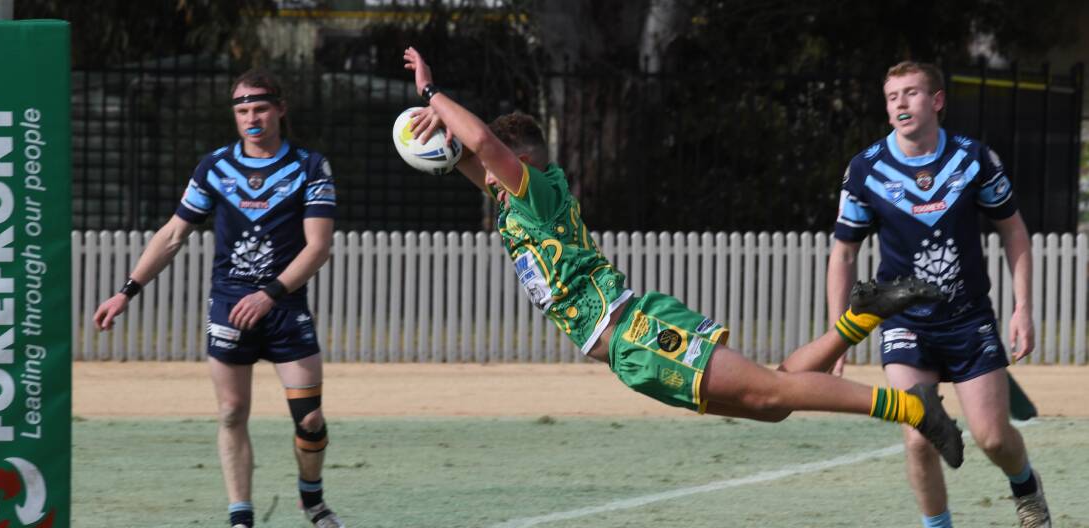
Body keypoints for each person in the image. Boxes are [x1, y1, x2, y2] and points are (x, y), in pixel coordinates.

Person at [400, 47, 964, 470]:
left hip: (635, 332)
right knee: (774, 403)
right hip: (629, 347)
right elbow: (470, 157)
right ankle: (862, 314)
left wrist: (433, 95)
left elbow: (481, 147)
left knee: (771, 391)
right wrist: (436, 131)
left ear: (518, 161)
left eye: (497, 170)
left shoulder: (536, 192)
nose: (487, 180)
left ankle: (913, 408)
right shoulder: (514, 198)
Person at [94, 68, 349, 528]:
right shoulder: (214, 167)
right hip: (230, 304)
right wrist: (126, 291)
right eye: (242, 110)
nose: (251, 118)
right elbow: (172, 235)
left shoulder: (310, 166)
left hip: (283, 303)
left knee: (310, 419)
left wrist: (270, 293)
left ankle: (313, 501)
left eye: (260, 109)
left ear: (280, 110)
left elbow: (318, 248)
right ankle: (240, 521)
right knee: (232, 412)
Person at [827, 61, 1050, 528]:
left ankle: (1026, 489)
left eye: (911, 94)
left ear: (937, 101)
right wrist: (841, 333)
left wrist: (1023, 308)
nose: (900, 104)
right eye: (891, 97)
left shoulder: (974, 160)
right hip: (905, 324)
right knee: (918, 438)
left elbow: (1014, 232)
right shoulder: (866, 169)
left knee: (994, 438)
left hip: (969, 320)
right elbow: (843, 254)